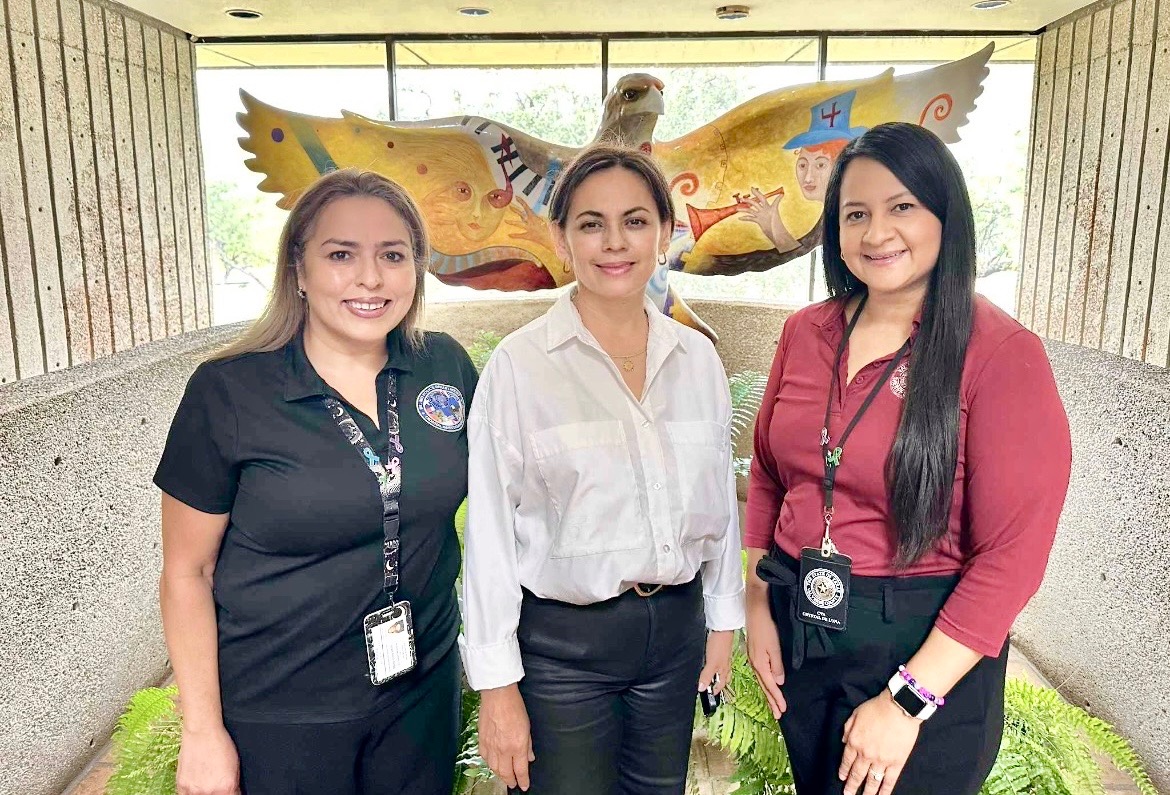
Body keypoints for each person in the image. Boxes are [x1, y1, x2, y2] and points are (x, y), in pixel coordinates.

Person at [743, 122, 1071, 795]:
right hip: (808, 636)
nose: (875, 232)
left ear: (945, 214)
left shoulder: (999, 354)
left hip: (927, 653)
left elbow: (1013, 555)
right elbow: (771, 474)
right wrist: (756, 600)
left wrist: (907, 700)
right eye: (854, 213)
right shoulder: (806, 332)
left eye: (902, 208)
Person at [155, 168, 478, 795]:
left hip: (422, 691)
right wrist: (201, 730)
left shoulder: (444, 366)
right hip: (283, 709)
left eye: (393, 254)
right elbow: (186, 574)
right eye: (340, 255)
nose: (370, 278)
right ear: (298, 271)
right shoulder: (230, 393)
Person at [460, 144, 745, 795]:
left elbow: (718, 505)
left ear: (665, 232)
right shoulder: (521, 365)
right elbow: (492, 540)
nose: (614, 242)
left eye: (635, 220)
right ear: (562, 238)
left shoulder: (697, 360)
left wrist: (722, 623)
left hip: (673, 639)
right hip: (563, 652)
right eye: (591, 223)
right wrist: (498, 686)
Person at [739, 90, 867, 253]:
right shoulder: (831, 213)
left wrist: (774, 226)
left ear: (842, 167)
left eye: (820, 165)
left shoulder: (852, 214)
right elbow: (799, 251)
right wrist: (771, 224)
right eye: (802, 165)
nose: (808, 177)